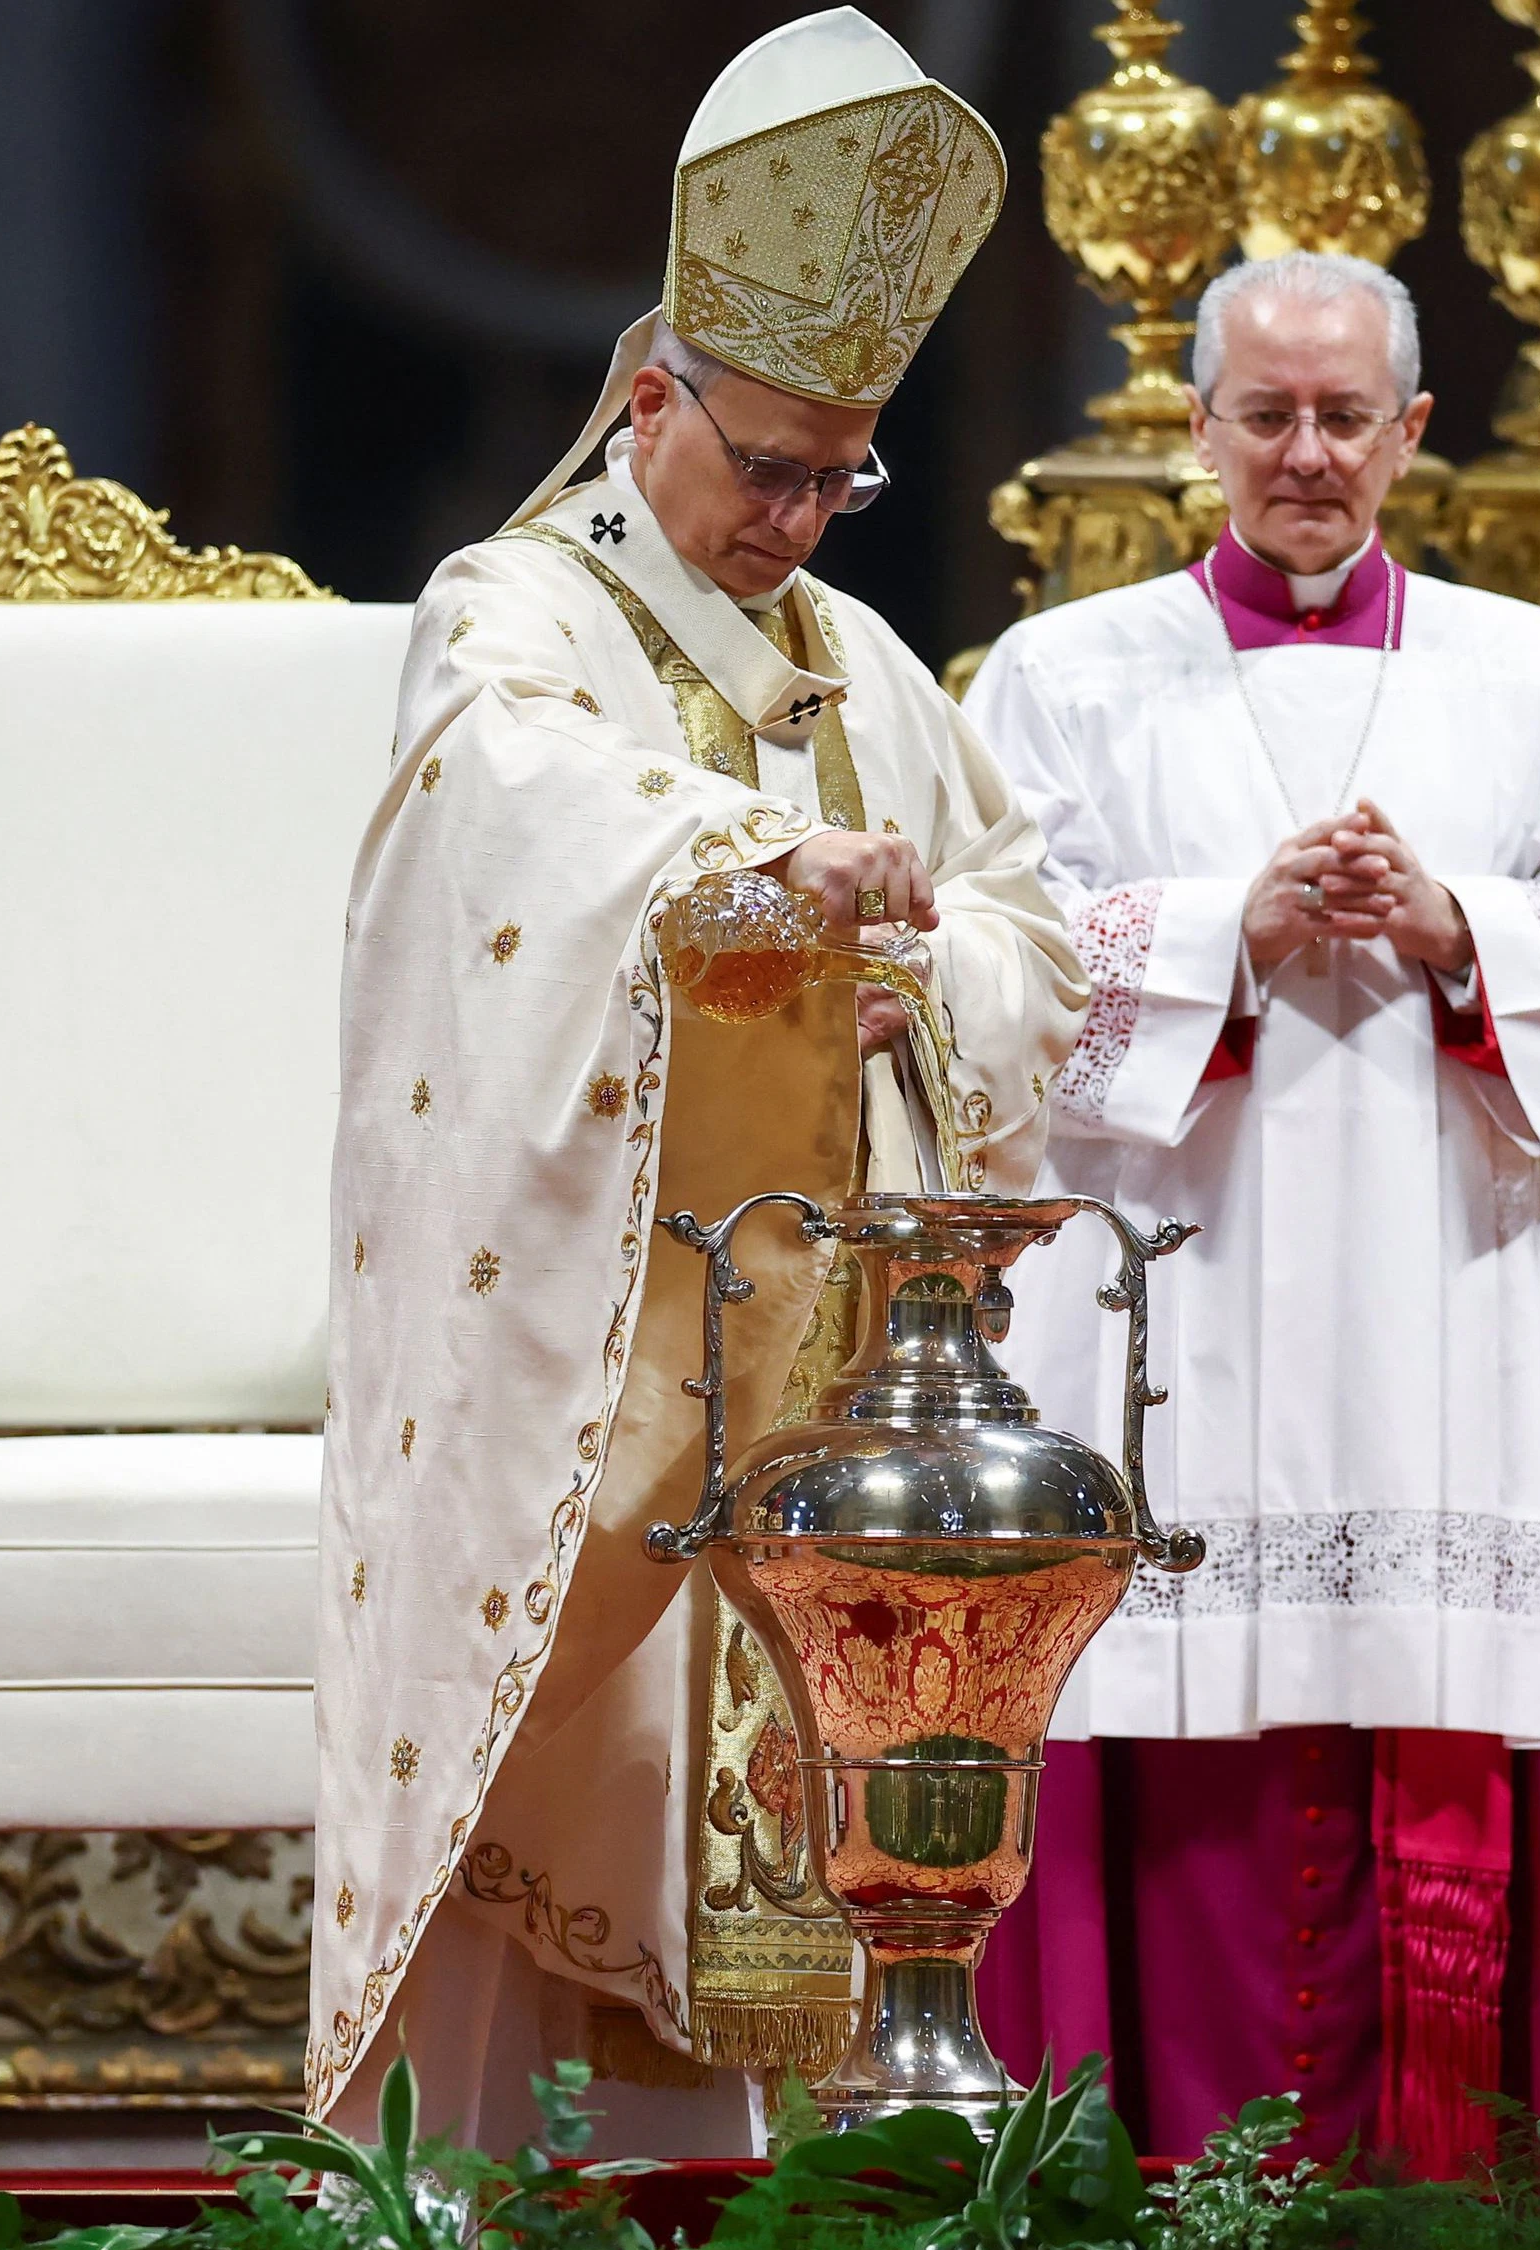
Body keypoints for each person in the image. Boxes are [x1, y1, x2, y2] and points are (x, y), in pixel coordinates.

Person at [308, 9, 1081, 2155]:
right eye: (766, 468)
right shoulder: (511, 617)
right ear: (650, 399)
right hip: (593, 1366)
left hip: (820, 1357)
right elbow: (524, 828)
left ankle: (790, 2193)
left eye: (844, 478)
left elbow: (1025, 925)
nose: (803, 517)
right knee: (554, 1783)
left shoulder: (862, 666)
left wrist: (911, 964)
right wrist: (755, 889)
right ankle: (458, 2197)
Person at [961, 250, 1540, 2173]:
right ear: (1198, 426)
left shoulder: (1527, 669)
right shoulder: (1065, 672)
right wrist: (1234, 929)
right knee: (1158, 1707)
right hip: (1161, 1294)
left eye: (1345, 417)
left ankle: (1438, 2192)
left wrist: (1459, 923)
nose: (1307, 455)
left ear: (1414, 431)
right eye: (1267, 414)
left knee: (1417, 1689)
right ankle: (1126, 2179)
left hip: (1420, 1291)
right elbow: (986, 963)